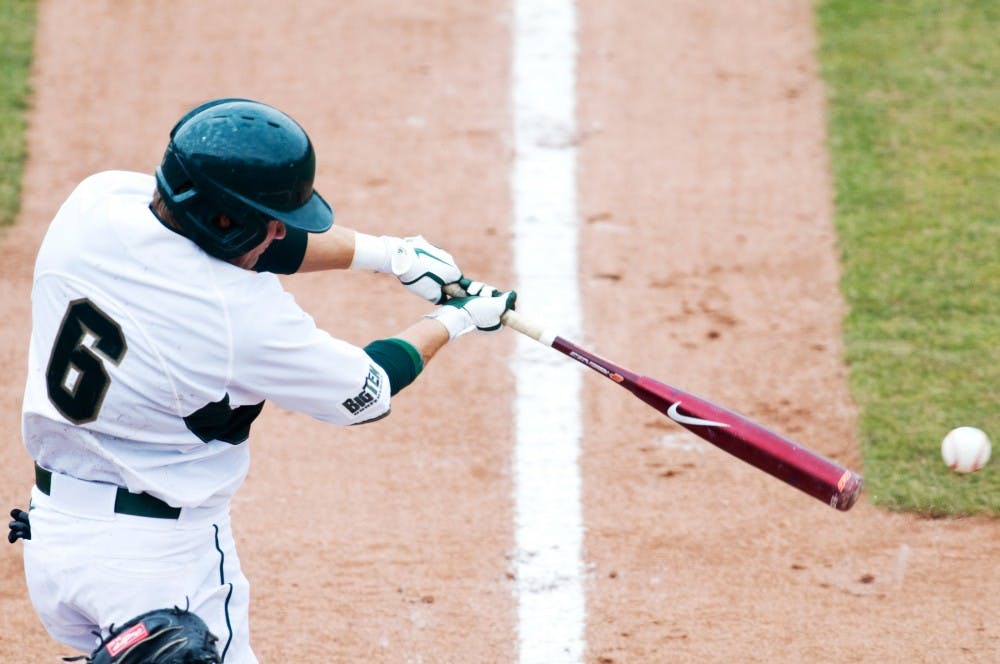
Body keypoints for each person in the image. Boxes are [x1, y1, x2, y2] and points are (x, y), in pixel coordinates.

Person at [9, 97, 515, 662]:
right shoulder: (237, 316)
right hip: (158, 567)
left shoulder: (95, 202)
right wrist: (455, 319)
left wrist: (389, 255)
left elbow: (224, 240)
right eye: (272, 225)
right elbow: (365, 390)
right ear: (227, 223)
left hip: (55, 539)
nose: (281, 235)